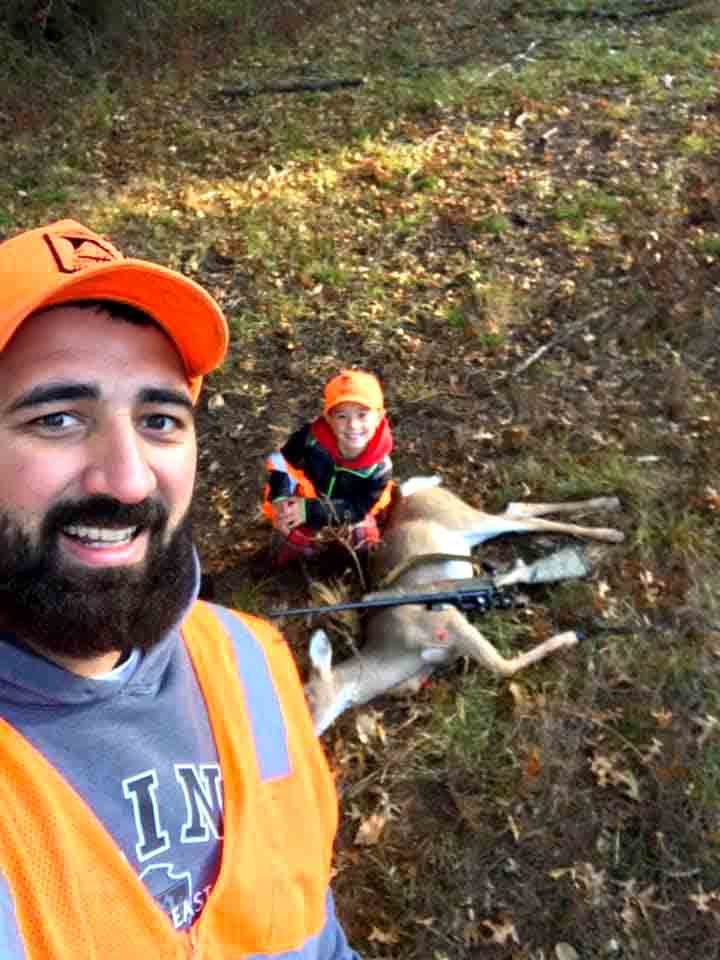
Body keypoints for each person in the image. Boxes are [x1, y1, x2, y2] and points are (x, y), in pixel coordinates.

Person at [0, 218, 360, 959]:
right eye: (58, 418)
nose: (129, 479)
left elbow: (315, 935)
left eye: (160, 419)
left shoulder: (249, 658)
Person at [263, 370, 394, 568]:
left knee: (364, 544)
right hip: (309, 497)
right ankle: (282, 570)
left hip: (347, 512)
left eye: (362, 415)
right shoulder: (310, 439)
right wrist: (280, 497)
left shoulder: (380, 468)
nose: (353, 425)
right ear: (329, 418)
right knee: (287, 538)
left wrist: (310, 511)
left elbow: (358, 508)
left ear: (379, 417)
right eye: (342, 416)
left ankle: (353, 576)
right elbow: (281, 463)